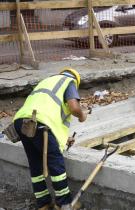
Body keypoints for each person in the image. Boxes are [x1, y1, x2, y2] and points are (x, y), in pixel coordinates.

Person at [13, 67, 87, 210]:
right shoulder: (69, 82)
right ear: (76, 80)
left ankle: (44, 204)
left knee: (35, 163)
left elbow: (49, 111)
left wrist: (64, 140)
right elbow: (73, 107)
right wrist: (82, 115)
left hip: (21, 122)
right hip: (41, 124)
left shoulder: (47, 81)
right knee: (55, 162)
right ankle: (64, 203)